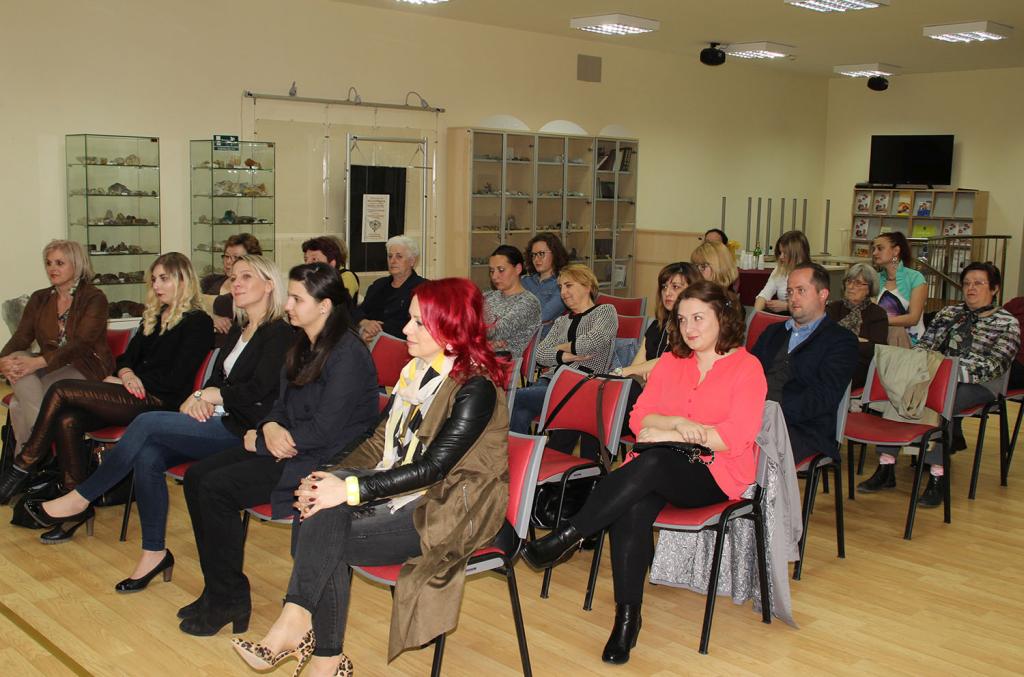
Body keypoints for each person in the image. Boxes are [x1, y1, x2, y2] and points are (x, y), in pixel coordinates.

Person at [230, 277, 510, 676]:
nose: (406, 329)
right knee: (319, 503)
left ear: (450, 328)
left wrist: (348, 488)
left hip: (450, 509)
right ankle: (318, 650)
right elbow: (378, 442)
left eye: (418, 322)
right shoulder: (418, 371)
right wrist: (324, 476)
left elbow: (433, 469)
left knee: (325, 529)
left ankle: (310, 640)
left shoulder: (475, 387)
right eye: (410, 319)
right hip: (407, 495)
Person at [523, 280, 766, 665]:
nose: (689, 328)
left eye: (698, 318)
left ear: (724, 316)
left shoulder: (747, 367)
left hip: (715, 475)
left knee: (651, 462)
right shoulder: (671, 361)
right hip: (658, 469)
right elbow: (639, 419)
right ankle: (627, 620)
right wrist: (678, 424)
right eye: (682, 319)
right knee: (632, 505)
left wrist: (670, 433)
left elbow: (733, 438)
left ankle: (571, 534)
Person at [26, 256, 292, 566]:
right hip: (215, 417)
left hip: (243, 429)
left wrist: (209, 395)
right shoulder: (239, 329)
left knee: (145, 422)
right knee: (148, 454)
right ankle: (154, 553)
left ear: (269, 285)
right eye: (234, 278)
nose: (236, 284)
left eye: (246, 277)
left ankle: (80, 497)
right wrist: (202, 397)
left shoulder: (279, 333)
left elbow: (257, 390)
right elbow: (218, 379)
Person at [178, 262, 379, 637]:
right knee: (196, 477)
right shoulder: (301, 343)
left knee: (215, 488)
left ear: (324, 306)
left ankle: (228, 598)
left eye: (297, 299)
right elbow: (279, 403)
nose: (287, 305)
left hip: (322, 461)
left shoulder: (347, 354)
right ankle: (219, 589)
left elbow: (326, 430)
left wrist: (267, 438)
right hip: (288, 445)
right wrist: (268, 426)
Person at [0, 253, 214, 507]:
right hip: (133, 394)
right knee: (68, 419)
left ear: (183, 280)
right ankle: (75, 499)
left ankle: (25, 463)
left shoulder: (198, 322)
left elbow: (175, 379)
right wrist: (126, 374)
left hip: (160, 401)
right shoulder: (155, 316)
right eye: (154, 279)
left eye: (163, 279)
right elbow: (125, 359)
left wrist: (129, 380)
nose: (156, 285)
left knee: (60, 389)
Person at [859, 263, 1020, 506]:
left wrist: (946, 374)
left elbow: (994, 366)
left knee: (941, 400)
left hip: (981, 384)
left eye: (978, 283)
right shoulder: (948, 313)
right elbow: (925, 346)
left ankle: (938, 476)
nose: (971, 288)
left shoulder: (1006, 323)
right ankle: (886, 465)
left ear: (995, 289)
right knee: (901, 389)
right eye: (967, 283)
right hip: (934, 375)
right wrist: (921, 369)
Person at [0, 240, 113, 461]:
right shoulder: (40, 298)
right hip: (49, 365)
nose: (52, 268)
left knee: (18, 404)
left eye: (60, 263)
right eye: (48, 263)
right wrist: (3, 361)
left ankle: (27, 460)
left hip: (85, 365)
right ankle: (33, 458)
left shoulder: (94, 298)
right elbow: (22, 337)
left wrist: (37, 362)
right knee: (17, 358)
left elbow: (80, 344)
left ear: (76, 264)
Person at [750, 263, 858, 465]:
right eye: (790, 291)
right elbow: (747, 376)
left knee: (749, 450)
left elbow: (824, 396)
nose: (793, 298)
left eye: (801, 291)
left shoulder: (841, 341)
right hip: (756, 418)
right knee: (708, 437)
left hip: (804, 429)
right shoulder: (772, 332)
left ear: (823, 294)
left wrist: (772, 415)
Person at [509, 264, 617, 441]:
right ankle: (520, 453)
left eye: (568, 285)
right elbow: (540, 354)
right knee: (521, 408)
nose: (563, 293)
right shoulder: (562, 321)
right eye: (560, 287)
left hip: (581, 385)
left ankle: (521, 452)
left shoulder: (605, 311)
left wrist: (560, 347)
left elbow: (590, 342)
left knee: (513, 397)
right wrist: (567, 356)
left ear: (587, 286)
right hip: (550, 381)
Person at [616, 261, 701, 383]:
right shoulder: (657, 326)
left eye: (675, 287)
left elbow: (672, 361)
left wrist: (621, 371)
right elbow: (635, 368)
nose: (667, 293)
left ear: (693, 290)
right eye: (664, 287)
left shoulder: (694, 330)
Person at [826, 263, 889, 389]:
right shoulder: (833, 308)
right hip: (829, 360)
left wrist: (842, 340)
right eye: (848, 281)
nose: (850, 287)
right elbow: (823, 338)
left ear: (869, 289)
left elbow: (876, 349)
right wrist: (857, 340)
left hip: (859, 367)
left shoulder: (877, 314)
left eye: (858, 283)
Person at [353, 235, 425, 342]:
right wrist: (364, 322)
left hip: (402, 344)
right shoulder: (378, 285)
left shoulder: (423, 288)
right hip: (368, 339)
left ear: (412, 261)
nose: (393, 261)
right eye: (390, 256)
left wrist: (377, 330)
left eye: (399, 256)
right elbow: (358, 311)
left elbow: (418, 324)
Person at [484, 244, 541, 357]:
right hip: (482, 356)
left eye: (501, 270)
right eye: (491, 271)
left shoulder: (528, 303)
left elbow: (496, 332)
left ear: (518, 269)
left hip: (505, 363)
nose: (494, 276)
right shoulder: (488, 296)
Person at [201, 233, 263, 335]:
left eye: (236, 257)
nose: (229, 262)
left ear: (252, 260)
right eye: (226, 256)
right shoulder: (210, 280)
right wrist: (211, 317)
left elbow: (224, 303)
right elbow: (186, 302)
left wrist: (202, 302)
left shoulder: (251, 289)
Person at [872, 232, 926, 346]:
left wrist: (880, 320)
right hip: (880, 338)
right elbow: (871, 312)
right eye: (874, 249)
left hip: (910, 342)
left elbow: (913, 318)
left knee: (895, 331)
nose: (874, 253)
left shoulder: (916, 278)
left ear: (896, 251)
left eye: (880, 248)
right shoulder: (875, 278)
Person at [753, 230, 811, 313]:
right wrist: (756, 314)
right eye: (780, 252)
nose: (781, 257)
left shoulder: (813, 274)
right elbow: (764, 295)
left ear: (797, 254)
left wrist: (787, 306)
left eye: (785, 253)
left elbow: (812, 306)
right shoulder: (780, 269)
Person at [521, 233, 570, 324]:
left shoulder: (561, 284)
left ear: (555, 253)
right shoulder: (525, 281)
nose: (536, 259)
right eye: (533, 255)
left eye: (541, 254)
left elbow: (544, 315)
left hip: (544, 333)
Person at [302, 235, 360, 305]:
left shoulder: (347, 276)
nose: (307, 264)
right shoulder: (313, 278)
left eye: (314, 259)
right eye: (305, 259)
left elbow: (336, 304)